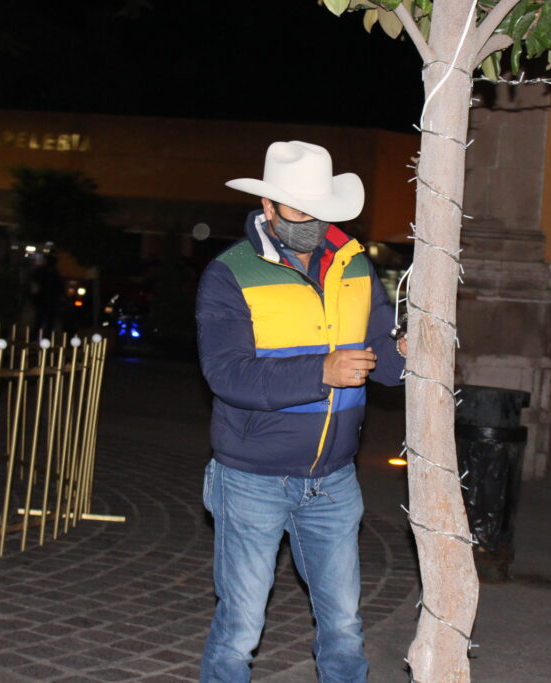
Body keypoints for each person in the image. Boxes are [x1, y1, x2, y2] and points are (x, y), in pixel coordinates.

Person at [195, 141, 406, 683]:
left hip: (334, 480)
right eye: (296, 208)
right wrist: (321, 371)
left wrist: (408, 354)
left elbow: (382, 358)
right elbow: (227, 375)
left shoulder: (356, 265)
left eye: (318, 208)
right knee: (240, 628)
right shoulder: (230, 273)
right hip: (250, 479)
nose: (309, 221)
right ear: (267, 207)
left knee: (343, 626)